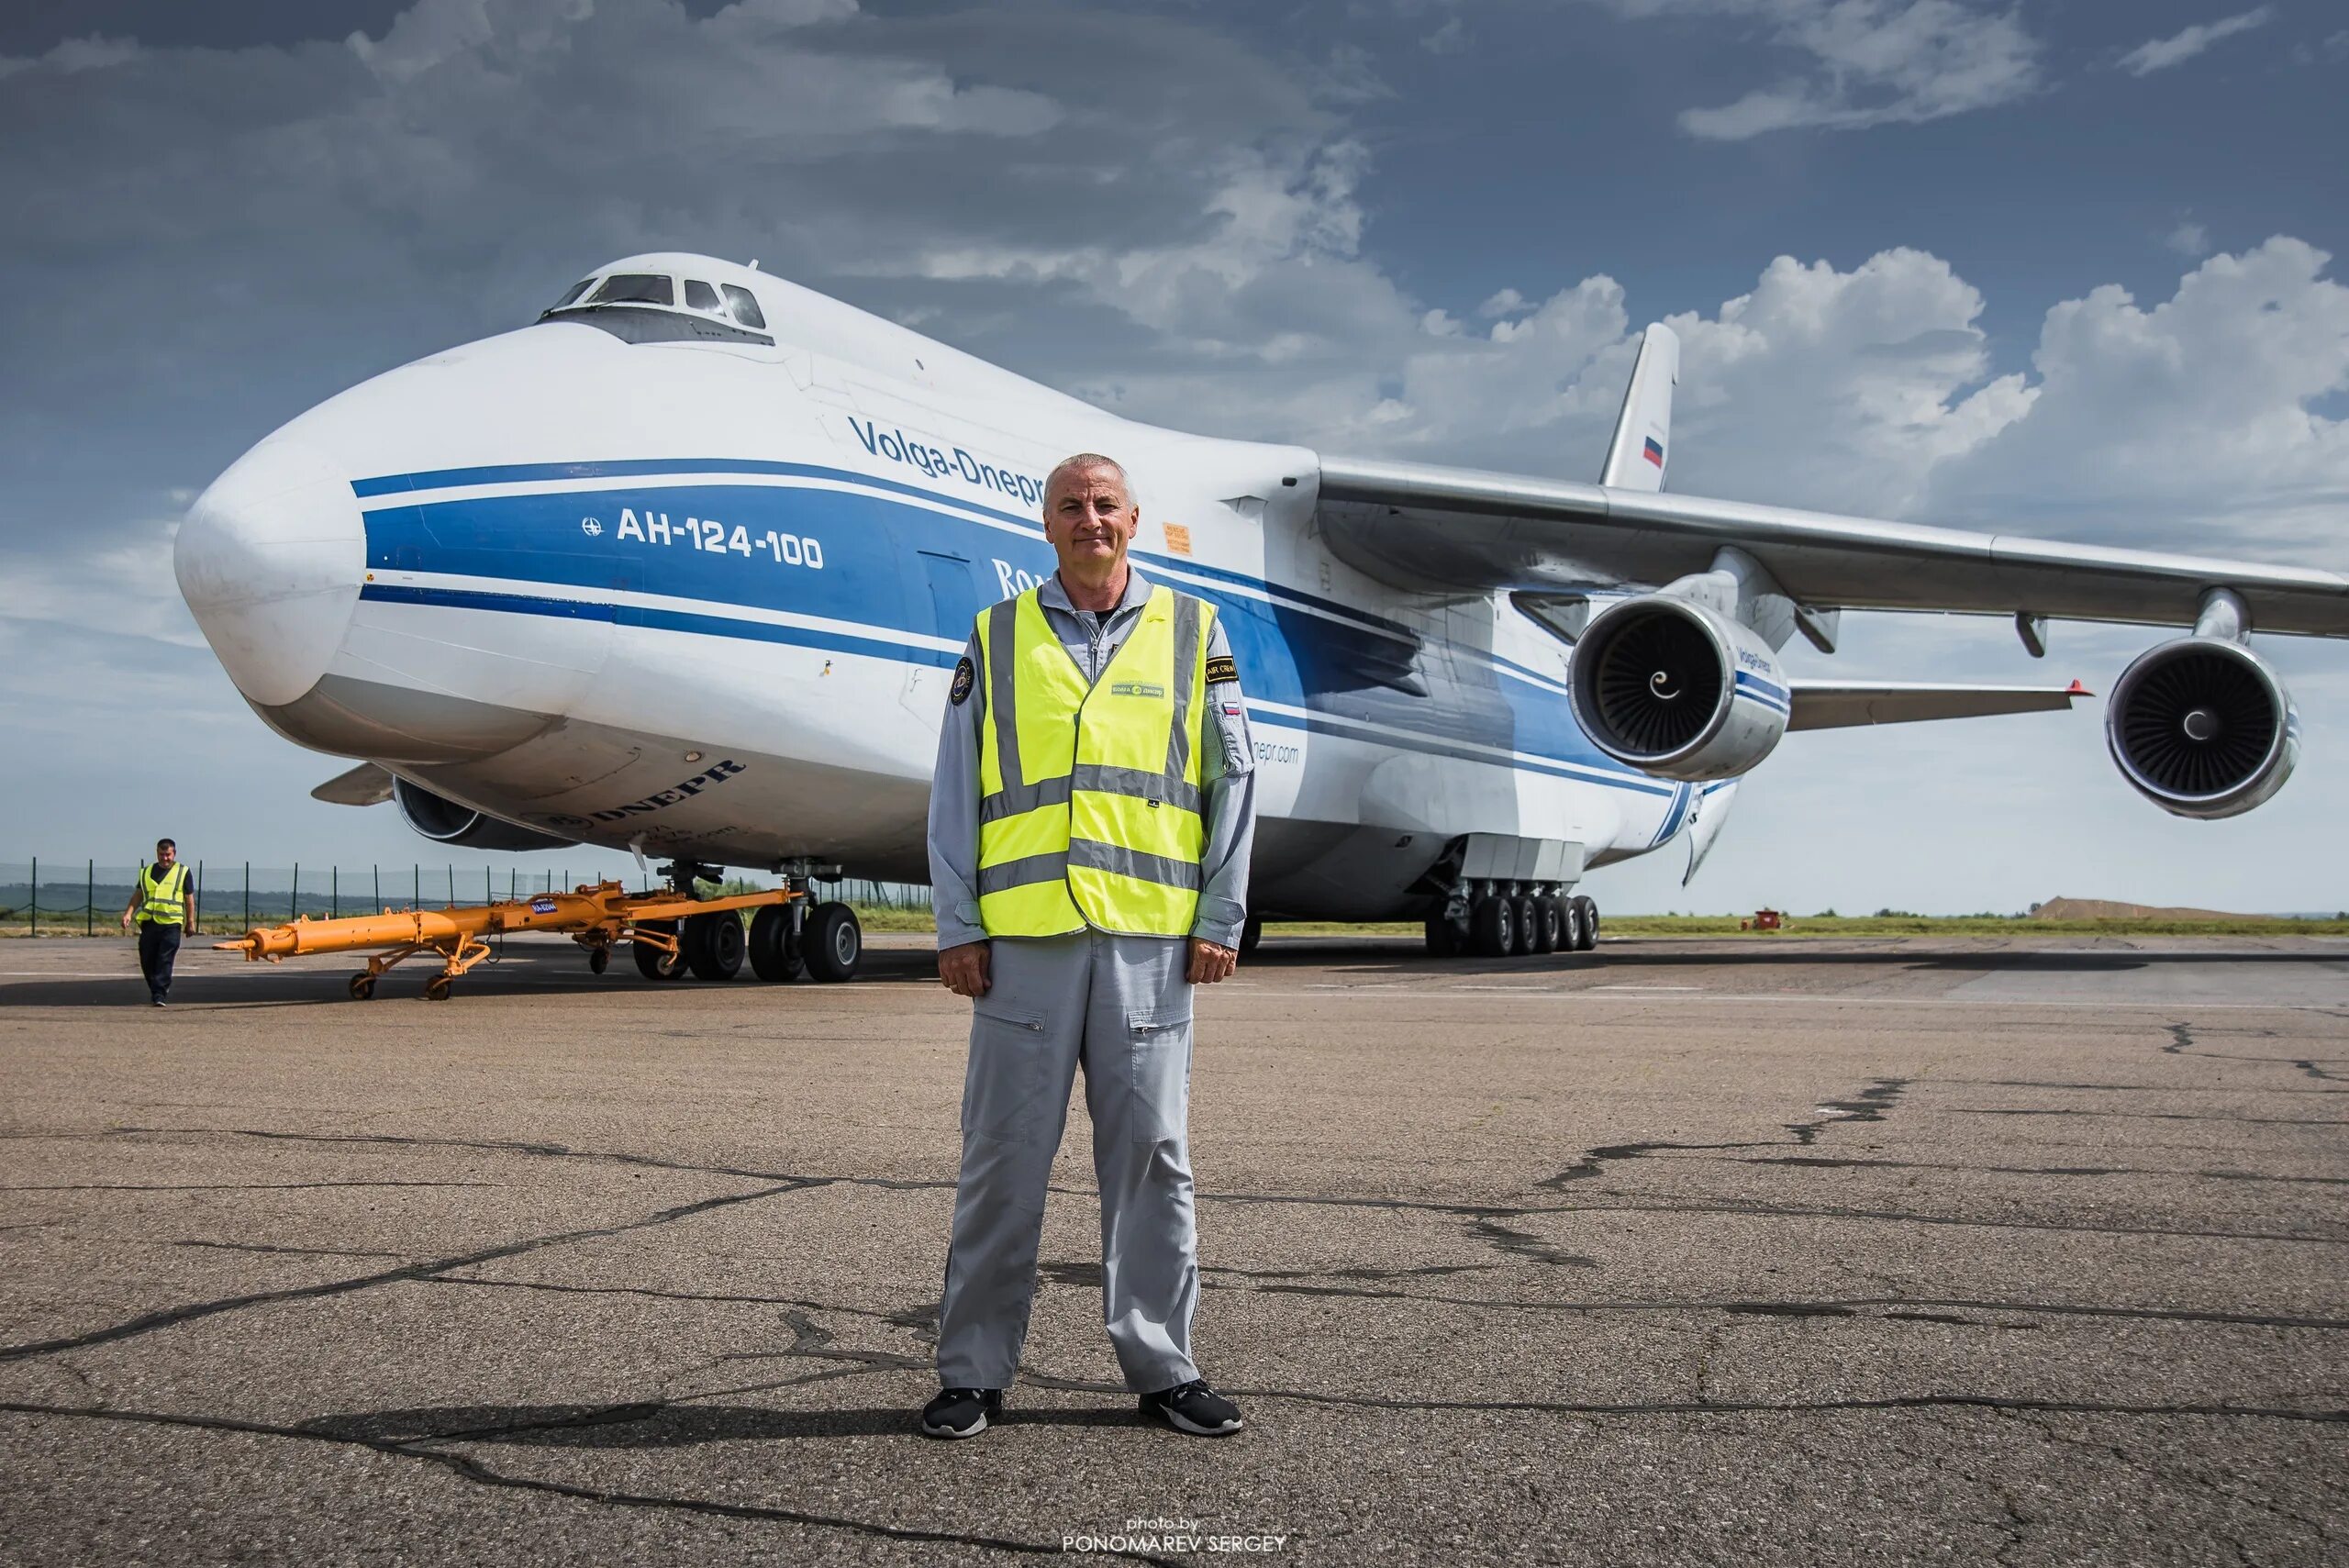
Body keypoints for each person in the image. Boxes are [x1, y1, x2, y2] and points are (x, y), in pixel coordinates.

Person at [921, 452, 1257, 1440]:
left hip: (1149, 943)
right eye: (1071, 505)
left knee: (1153, 1158)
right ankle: (971, 1371)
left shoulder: (1196, 632)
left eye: (1104, 503)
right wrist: (958, 924)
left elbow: (1230, 780)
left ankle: (1165, 1366)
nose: (1089, 518)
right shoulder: (995, 633)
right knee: (1001, 1159)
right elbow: (953, 789)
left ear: (1134, 519)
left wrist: (1219, 915)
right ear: (1047, 524)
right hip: (1022, 945)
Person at [121, 839, 196, 1006]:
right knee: (147, 958)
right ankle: (156, 988)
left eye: (168, 855)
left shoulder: (182, 872)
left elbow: (189, 899)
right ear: (157, 853)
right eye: (162, 855)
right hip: (150, 923)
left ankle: (159, 993)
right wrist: (128, 914)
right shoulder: (146, 872)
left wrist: (190, 921)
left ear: (174, 854)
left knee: (165, 957)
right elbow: (138, 895)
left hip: (172, 923)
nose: (165, 858)